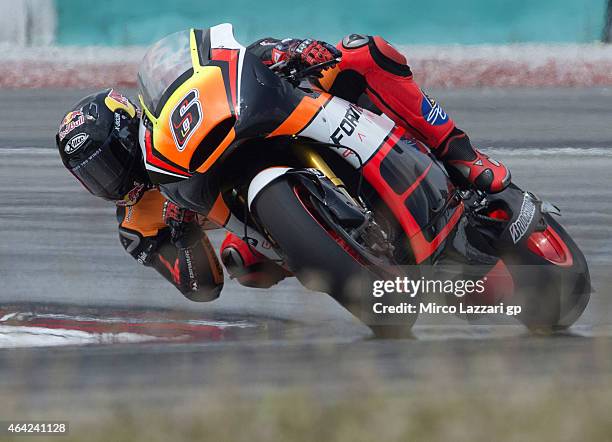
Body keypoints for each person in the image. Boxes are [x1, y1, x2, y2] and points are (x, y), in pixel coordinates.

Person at [56, 33, 511, 302]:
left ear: (128, 127)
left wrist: (285, 50)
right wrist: (182, 234)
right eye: (94, 178)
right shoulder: (137, 224)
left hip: (257, 124)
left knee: (365, 53)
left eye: (109, 162)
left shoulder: (168, 120)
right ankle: (347, 255)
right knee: (242, 263)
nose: (112, 181)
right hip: (256, 222)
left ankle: (460, 153)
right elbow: (200, 286)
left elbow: (231, 63)